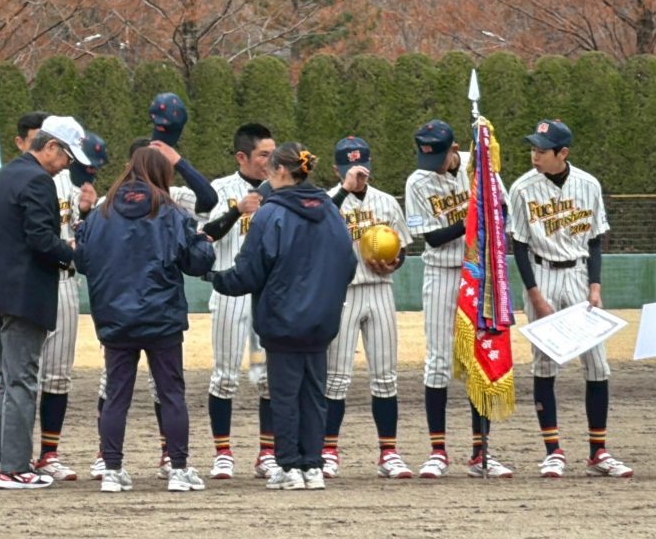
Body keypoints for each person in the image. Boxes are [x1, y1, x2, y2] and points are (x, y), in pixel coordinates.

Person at [211, 142, 357, 491]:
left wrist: (212, 277)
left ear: (279, 171)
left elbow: (248, 273)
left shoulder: (270, 214)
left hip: (282, 320)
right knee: (314, 394)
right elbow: (348, 263)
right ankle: (313, 466)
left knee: (285, 396)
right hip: (321, 320)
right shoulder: (330, 210)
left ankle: (290, 465)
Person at [0, 115, 91, 490]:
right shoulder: (38, 180)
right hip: (21, 294)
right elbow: (40, 239)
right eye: (67, 156)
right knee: (21, 381)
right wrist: (74, 254)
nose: (67, 165)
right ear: (50, 147)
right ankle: (15, 468)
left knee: (6, 379)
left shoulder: (8, 172)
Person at [75, 146, 215, 493]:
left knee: (116, 395)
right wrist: (204, 242)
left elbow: (83, 262)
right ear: (162, 173)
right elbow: (196, 263)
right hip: (161, 315)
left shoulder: (101, 212)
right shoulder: (171, 212)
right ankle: (178, 469)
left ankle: (112, 469)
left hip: (115, 316)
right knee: (171, 393)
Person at [507, 118, 632, 478]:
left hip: (578, 274)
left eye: (542, 150)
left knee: (597, 365)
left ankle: (598, 452)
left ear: (562, 153)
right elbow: (519, 245)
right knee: (545, 365)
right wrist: (535, 295)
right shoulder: (521, 188)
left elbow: (594, 239)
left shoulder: (588, 184)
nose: (535, 155)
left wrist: (595, 285)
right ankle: (553, 452)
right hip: (542, 273)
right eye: (533, 148)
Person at [404, 119, 514, 479]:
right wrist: (473, 216)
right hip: (440, 273)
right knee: (438, 361)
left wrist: (487, 205)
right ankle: (437, 452)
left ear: (454, 150)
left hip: (477, 272)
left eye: (437, 156)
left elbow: (504, 211)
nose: (431, 163)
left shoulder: (479, 166)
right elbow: (431, 238)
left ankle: (481, 453)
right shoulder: (417, 181)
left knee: (478, 361)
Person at [321, 136, 415, 479]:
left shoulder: (386, 202)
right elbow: (318, 227)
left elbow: (402, 246)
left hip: (379, 291)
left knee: (386, 377)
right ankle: (328, 451)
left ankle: (389, 453)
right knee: (336, 378)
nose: (358, 173)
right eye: (350, 168)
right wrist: (344, 189)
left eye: (362, 166)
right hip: (342, 293)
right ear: (337, 170)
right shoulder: (328, 201)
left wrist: (395, 263)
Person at [199, 123, 280, 480]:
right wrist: (236, 210)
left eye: (273, 154)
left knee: (268, 378)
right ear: (242, 157)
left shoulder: (280, 187)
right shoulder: (219, 190)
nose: (271, 160)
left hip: (266, 297)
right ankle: (223, 454)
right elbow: (202, 236)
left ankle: (267, 453)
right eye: (264, 154)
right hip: (230, 295)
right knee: (225, 376)